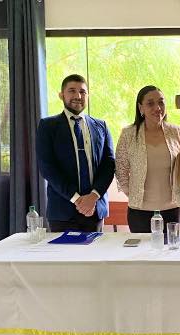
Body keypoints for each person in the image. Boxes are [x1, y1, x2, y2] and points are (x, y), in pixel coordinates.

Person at [36, 74, 115, 232]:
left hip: (95, 210)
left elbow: (109, 165)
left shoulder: (101, 126)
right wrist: (78, 200)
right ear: (61, 95)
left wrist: (93, 197)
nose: (78, 96)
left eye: (82, 92)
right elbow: (47, 168)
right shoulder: (47, 126)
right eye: (72, 91)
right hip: (62, 212)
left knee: (95, 249)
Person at [115, 85, 180, 232]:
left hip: (172, 209)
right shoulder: (128, 134)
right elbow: (121, 169)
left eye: (161, 102)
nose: (157, 108)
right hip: (139, 212)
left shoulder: (176, 132)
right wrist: (133, 194)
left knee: (172, 246)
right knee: (141, 248)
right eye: (150, 103)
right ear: (141, 108)